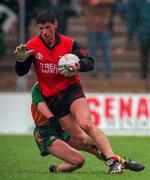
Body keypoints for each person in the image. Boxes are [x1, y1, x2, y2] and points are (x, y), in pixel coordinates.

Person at [14, 9, 143, 174]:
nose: (44, 32)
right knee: (82, 139)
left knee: (85, 124)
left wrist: (78, 65)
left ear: (55, 25)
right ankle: (119, 160)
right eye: (41, 28)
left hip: (71, 90)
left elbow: (89, 61)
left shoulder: (68, 43)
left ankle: (113, 162)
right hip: (54, 101)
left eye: (47, 27)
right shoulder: (32, 46)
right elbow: (21, 72)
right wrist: (20, 60)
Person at [31, 81, 145, 173]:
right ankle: (56, 169)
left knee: (93, 147)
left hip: (62, 127)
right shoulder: (37, 88)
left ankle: (121, 163)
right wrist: (52, 118)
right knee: (79, 161)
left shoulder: (62, 85)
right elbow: (43, 107)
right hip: (46, 133)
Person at [80, 0, 115, 77]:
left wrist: (99, 1)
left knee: (105, 50)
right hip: (91, 26)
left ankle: (107, 72)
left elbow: (112, 2)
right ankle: (93, 71)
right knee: (92, 51)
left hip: (103, 26)